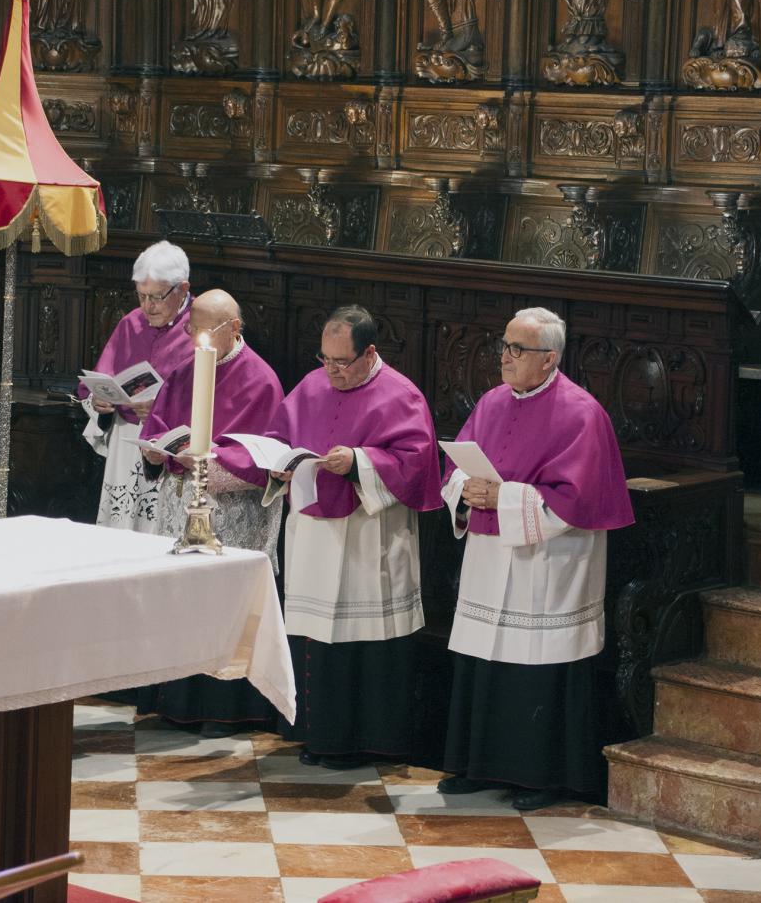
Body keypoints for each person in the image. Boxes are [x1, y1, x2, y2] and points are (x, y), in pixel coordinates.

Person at [437, 307, 633, 811]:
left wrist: (499, 498)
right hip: (491, 557)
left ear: (549, 359)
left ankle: (540, 776)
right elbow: (456, 465)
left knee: (537, 667)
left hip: (548, 563)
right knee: (487, 657)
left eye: (517, 349)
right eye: (503, 344)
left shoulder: (582, 412)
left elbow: (574, 500)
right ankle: (477, 765)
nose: (504, 356)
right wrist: (467, 489)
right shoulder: (491, 401)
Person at [263, 305, 442, 769]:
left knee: (365, 640)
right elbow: (278, 437)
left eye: (342, 362)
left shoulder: (401, 395)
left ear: (370, 353)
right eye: (325, 359)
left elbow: (417, 462)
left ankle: (368, 743)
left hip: (369, 537)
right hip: (315, 533)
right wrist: (279, 463)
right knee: (318, 637)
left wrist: (361, 461)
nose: (332, 372)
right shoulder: (311, 385)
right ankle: (320, 736)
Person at [136, 289, 286, 737]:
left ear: (233, 328)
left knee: (222, 606)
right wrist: (161, 450)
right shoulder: (185, 371)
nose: (190, 336)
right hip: (179, 502)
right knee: (178, 600)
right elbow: (157, 428)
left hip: (232, 514)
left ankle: (224, 710)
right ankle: (172, 700)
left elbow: (264, 454)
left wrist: (211, 462)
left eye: (199, 329)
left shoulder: (261, 381)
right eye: (189, 327)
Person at [81, 240, 193, 533]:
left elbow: (211, 400)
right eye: (141, 296)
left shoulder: (200, 329)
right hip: (125, 442)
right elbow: (101, 379)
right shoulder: (131, 323)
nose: (147, 307)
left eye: (156, 297)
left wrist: (161, 411)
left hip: (170, 449)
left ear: (182, 289)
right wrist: (100, 401)